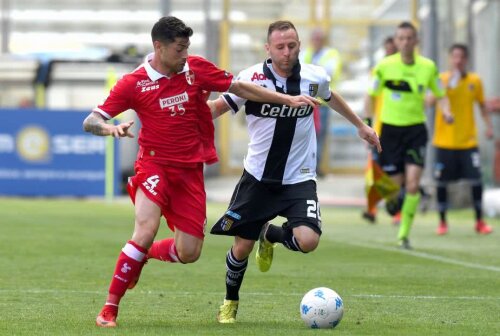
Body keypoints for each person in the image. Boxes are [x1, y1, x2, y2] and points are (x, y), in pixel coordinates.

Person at [83, 16, 319, 328]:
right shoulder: (134, 83)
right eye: (179, 49)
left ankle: (143, 256)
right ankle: (109, 309)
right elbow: (90, 121)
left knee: (189, 252)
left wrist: (286, 99)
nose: (184, 55)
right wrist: (109, 128)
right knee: (145, 228)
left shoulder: (195, 69)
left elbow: (239, 88)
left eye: (187, 48)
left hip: (190, 172)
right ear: (159, 47)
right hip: (153, 165)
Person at [207, 20, 381, 323]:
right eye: (280, 47)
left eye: (292, 45)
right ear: (268, 49)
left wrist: (361, 125)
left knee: (309, 240)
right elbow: (218, 107)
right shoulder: (251, 79)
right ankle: (230, 300)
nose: (287, 52)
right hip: (258, 178)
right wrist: (182, 109)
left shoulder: (314, 77)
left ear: (299, 45)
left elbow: (329, 95)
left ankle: (270, 234)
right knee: (242, 247)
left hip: (299, 177)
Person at [366, 21, 451, 249]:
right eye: (400, 38)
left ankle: (403, 234)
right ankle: (392, 202)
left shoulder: (428, 67)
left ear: (416, 41)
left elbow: (440, 94)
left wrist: (447, 111)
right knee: (393, 189)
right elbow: (371, 95)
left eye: (409, 38)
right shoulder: (384, 66)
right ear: (396, 41)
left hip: (415, 131)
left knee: (413, 184)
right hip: (390, 132)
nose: (404, 42)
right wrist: (366, 124)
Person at [428, 43, 494, 235]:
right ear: (450, 59)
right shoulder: (442, 79)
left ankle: (479, 221)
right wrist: (447, 85)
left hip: (468, 142)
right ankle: (442, 222)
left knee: (476, 181)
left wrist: (489, 127)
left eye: (461, 57)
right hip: (444, 141)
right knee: (442, 183)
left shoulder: (475, 81)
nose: (458, 60)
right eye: (454, 56)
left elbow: (482, 105)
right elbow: (430, 101)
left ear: (466, 60)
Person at [362, 36, 397, 223]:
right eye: (388, 50)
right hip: (380, 128)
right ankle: (372, 209)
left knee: (396, 172)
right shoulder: (379, 70)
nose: (390, 53)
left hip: (399, 128)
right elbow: (369, 96)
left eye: (393, 50)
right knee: (374, 170)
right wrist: (367, 123)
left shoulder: (405, 71)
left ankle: (396, 209)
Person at [299, 27, 342, 177]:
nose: (316, 42)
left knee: (319, 135)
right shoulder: (305, 53)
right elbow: (298, 70)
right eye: (314, 39)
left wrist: (310, 71)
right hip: (305, 101)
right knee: (303, 134)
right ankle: (305, 166)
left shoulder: (331, 54)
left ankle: (315, 166)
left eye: (319, 39)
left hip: (322, 102)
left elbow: (328, 72)